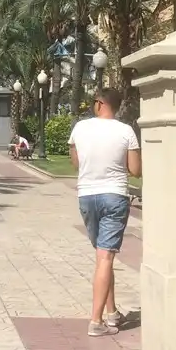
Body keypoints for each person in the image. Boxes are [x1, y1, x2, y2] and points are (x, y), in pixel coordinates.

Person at [68, 88, 141, 336]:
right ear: (117, 106)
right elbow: (135, 170)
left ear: (99, 103)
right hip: (114, 195)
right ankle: (96, 321)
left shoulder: (80, 128)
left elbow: (76, 162)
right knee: (105, 258)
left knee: (102, 258)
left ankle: (112, 314)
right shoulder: (126, 131)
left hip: (87, 196)